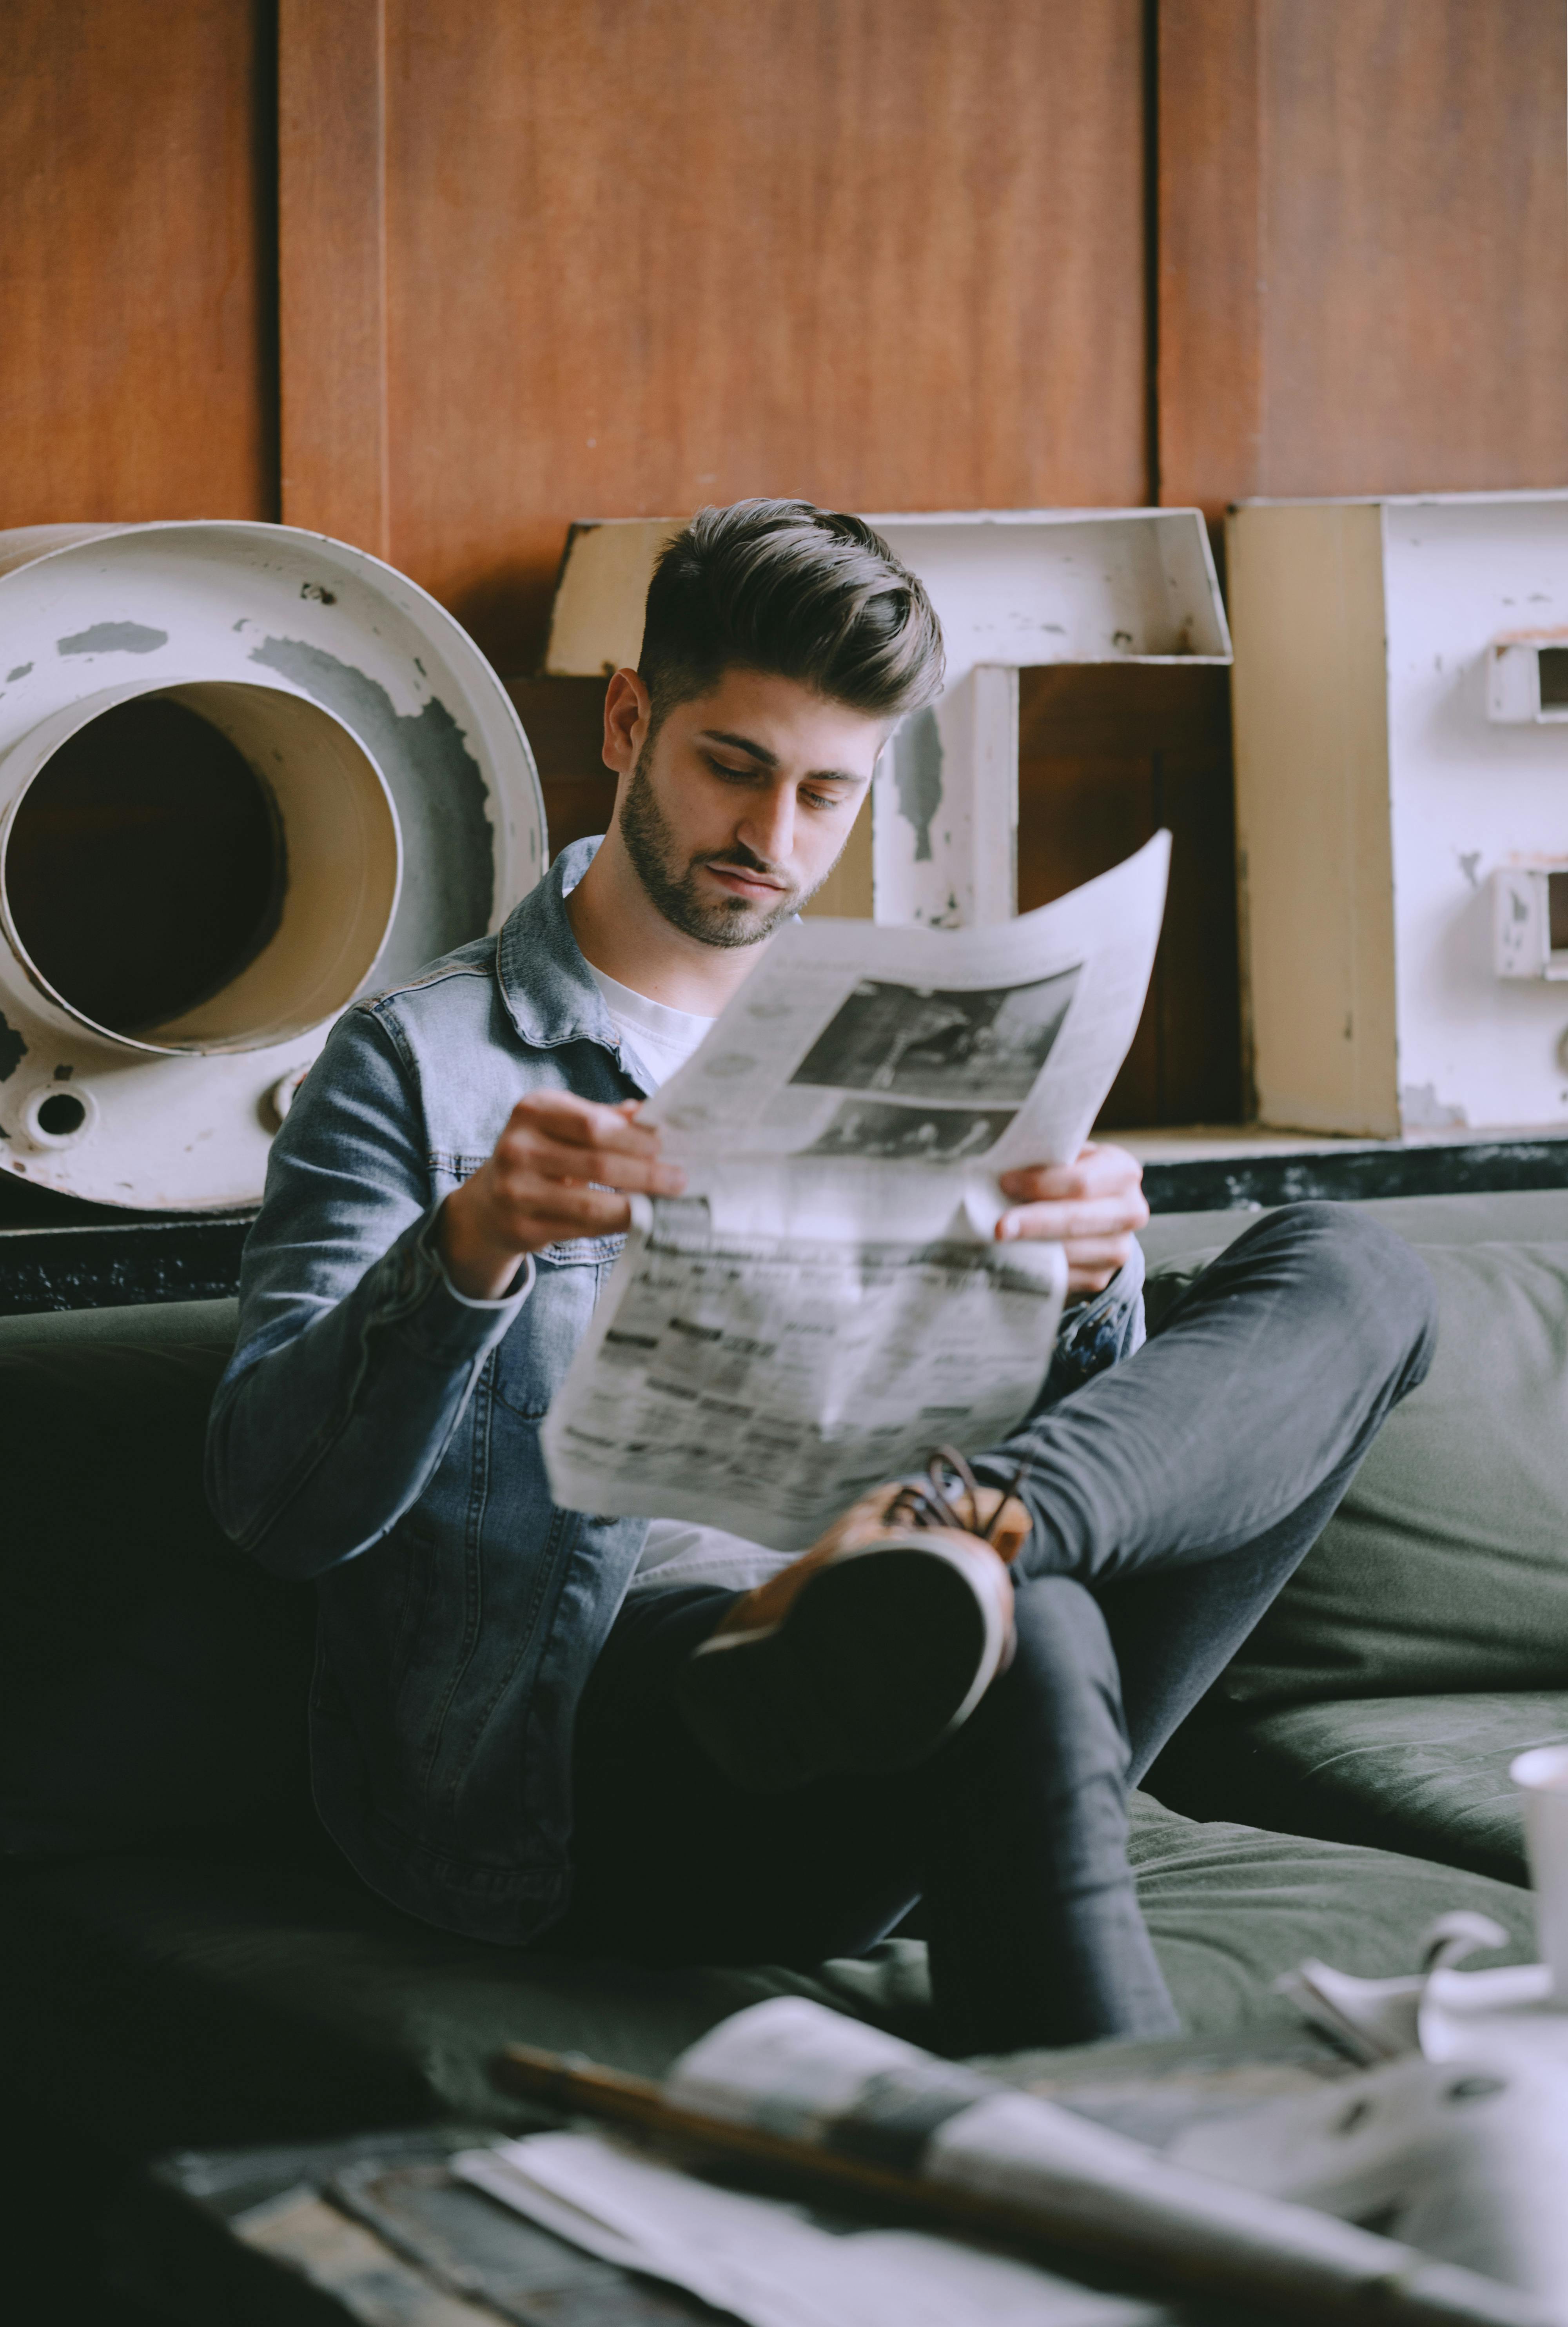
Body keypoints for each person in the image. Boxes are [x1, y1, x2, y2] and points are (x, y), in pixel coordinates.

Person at [206, 500, 1436, 2055]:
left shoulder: (906, 1032)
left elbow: (1139, 1445)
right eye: (734, 767)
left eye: (824, 795)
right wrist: (470, 1252)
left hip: (938, 1684)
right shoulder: (423, 1065)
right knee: (1025, 1626)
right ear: (633, 716)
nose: (770, 842)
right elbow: (272, 1508)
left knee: (1355, 1267)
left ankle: (967, 1537)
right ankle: (962, 1602)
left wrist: (1085, 1288)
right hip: (626, 1749)